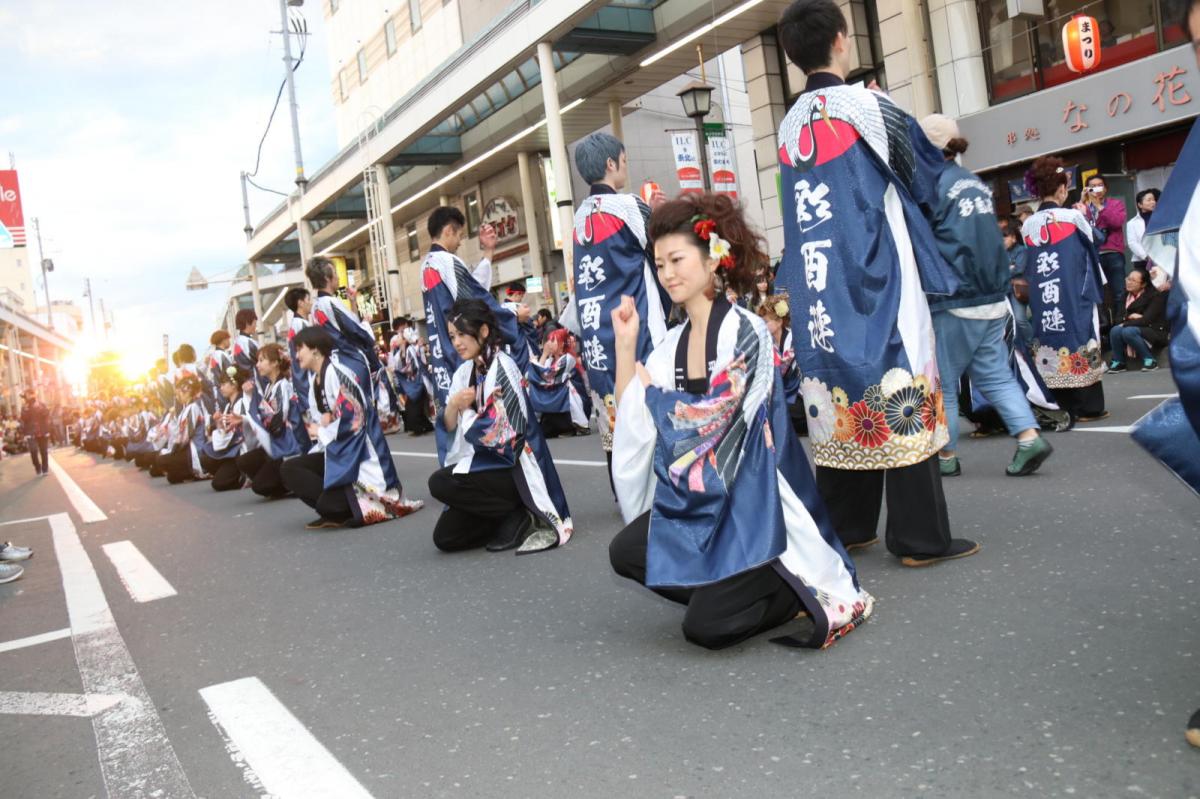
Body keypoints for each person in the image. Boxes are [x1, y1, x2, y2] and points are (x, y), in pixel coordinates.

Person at [608, 193, 873, 650]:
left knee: (706, 630)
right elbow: (633, 415)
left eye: (677, 259)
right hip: (701, 501)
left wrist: (655, 396)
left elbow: (712, 422)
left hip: (756, 507)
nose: (667, 273)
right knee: (626, 550)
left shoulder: (745, 330)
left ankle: (787, 590)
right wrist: (626, 346)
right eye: (660, 263)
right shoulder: (670, 344)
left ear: (713, 260)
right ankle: (725, 587)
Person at [775, 0, 977, 566]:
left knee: (837, 385)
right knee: (898, 372)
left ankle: (848, 522)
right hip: (876, 268)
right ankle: (918, 537)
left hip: (819, 284)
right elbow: (924, 176)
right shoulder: (866, 106)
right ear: (842, 39)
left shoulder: (789, 124)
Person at [918, 114, 1053, 477]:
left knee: (943, 379)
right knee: (995, 374)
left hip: (954, 295)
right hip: (994, 295)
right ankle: (1028, 438)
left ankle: (945, 457)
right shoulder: (972, 182)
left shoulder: (929, 185)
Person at [428, 299, 573, 554]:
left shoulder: (503, 366)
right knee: (446, 538)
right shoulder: (464, 373)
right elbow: (449, 427)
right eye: (452, 336)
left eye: (462, 333)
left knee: (439, 483)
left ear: (483, 331)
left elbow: (504, 434)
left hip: (514, 466)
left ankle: (519, 512)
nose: (457, 342)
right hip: (487, 465)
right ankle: (504, 517)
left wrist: (469, 411)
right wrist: (453, 405)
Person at [571, 131, 670, 482]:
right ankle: (655, 482)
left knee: (610, 405)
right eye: (624, 161)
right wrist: (659, 214)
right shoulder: (627, 207)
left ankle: (622, 485)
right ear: (611, 164)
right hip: (633, 322)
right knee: (646, 395)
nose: (625, 168)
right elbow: (659, 248)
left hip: (597, 330)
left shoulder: (579, 219)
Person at [280, 326, 423, 528]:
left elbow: (356, 418)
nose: (295, 355)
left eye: (299, 349)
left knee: (327, 505)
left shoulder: (337, 373)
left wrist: (322, 429)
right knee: (290, 468)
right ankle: (334, 504)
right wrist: (324, 426)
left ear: (315, 349)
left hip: (361, 457)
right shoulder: (315, 380)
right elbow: (325, 420)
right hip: (338, 450)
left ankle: (344, 505)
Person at [420, 206, 527, 463]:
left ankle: (454, 479)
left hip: (442, 358)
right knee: (476, 419)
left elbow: (469, 286)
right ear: (448, 230)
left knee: (451, 421)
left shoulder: (428, 266)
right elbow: (476, 298)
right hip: (460, 353)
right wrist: (512, 316)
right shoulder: (448, 262)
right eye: (458, 236)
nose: (459, 242)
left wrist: (488, 254)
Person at [1021, 155, 1108, 421]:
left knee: (1050, 339)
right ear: (1061, 189)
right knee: (1082, 334)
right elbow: (1097, 239)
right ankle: (1089, 406)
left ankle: (1061, 401)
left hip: (1045, 295)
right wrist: (1087, 214)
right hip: (1074, 291)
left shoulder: (1028, 225)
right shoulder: (1071, 216)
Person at [239, 343, 306, 498]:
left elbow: (277, 421)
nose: (258, 364)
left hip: (287, 445)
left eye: (262, 360)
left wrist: (258, 420)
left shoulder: (283, 386)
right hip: (276, 441)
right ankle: (278, 479)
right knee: (245, 461)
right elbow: (264, 415)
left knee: (260, 486)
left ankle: (287, 483)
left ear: (275, 362)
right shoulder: (270, 387)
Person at [1075, 174, 1128, 328]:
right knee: (1099, 293)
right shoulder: (1081, 207)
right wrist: (1082, 201)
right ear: (1087, 189)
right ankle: (1104, 326)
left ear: (1105, 188)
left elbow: (1117, 222)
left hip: (1112, 251)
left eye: (1100, 185)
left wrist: (1099, 206)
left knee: (1118, 290)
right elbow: (1075, 224)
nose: (1097, 189)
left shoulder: (1115, 204)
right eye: (1093, 186)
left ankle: (1120, 323)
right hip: (1092, 254)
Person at [756, 294, 806, 435]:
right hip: (783, 395)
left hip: (799, 396)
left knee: (773, 411)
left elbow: (781, 370)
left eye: (765, 322)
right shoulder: (768, 343)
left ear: (779, 322)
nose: (762, 325)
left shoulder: (794, 341)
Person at [527, 328, 590, 438]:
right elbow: (537, 377)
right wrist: (544, 355)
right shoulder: (549, 360)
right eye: (549, 341)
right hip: (556, 400)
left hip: (568, 401)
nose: (549, 344)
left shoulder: (568, 358)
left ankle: (572, 427)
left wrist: (539, 358)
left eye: (553, 340)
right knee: (544, 432)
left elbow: (548, 375)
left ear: (561, 344)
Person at [198, 369, 250, 491]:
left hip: (241, 449)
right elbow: (226, 431)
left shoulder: (243, 402)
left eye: (224, 384)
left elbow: (238, 432)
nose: (221, 388)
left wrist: (225, 427)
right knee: (205, 459)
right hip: (230, 448)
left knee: (218, 484)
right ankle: (230, 473)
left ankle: (241, 476)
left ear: (234, 385)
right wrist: (218, 423)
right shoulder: (227, 406)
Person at [1108, 269, 1168, 372]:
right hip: (1137, 326)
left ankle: (1150, 360)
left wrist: (1126, 322)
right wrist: (1129, 318)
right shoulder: (1125, 296)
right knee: (1115, 330)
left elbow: (1147, 320)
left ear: (1143, 284)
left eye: (1133, 280)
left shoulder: (1154, 295)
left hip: (1155, 330)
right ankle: (1119, 361)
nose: (1128, 282)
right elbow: (1118, 319)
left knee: (1128, 331)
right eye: (1128, 278)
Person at [155, 375, 207, 484]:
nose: (177, 396)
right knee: (171, 476)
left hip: (193, 450)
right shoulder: (186, 408)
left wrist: (173, 450)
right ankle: (185, 472)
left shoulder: (193, 407)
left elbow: (186, 436)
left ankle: (192, 470)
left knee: (161, 460)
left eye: (179, 393)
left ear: (187, 392)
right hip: (186, 448)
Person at [394, 327, 434, 436]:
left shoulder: (409, 349)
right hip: (412, 383)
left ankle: (419, 428)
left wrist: (401, 370)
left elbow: (413, 366)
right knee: (415, 406)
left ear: (404, 340)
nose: (396, 339)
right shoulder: (400, 353)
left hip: (418, 381)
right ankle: (427, 426)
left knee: (413, 407)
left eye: (398, 337)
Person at [1126, 188, 1161, 274]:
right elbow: (1132, 243)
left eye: (1153, 200)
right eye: (1149, 200)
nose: (1153, 202)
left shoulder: (1161, 218)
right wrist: (1146, 256)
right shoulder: (1132, 223)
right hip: (1141, 260)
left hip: (1161, 258)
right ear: (1140, 205)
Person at [19, 389, 50, 477]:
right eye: (28, 394)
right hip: (30, 432)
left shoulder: (41, 404)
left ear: (35, 394)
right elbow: (24, 418)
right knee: (33, 451)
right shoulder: (24, 406)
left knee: (44, 451)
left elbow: (46, 414)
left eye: (32, 394)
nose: (31, 396)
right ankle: (37, 467)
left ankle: (45, 469)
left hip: (42, 430)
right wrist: (26, 408)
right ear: (26, 396)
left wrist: (39, 408)